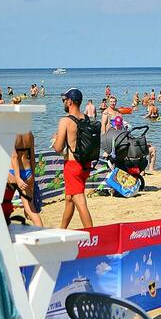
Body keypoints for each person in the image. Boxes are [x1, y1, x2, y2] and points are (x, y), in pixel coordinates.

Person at [50, 89, 95, 229]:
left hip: (72, 165)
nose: (64, 103)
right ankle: (61, 230)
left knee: (79, 200)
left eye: (64, 100)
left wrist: (56, 138)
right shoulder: (86, 118)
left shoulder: (65, 121)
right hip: (85, 164)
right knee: (69, 199)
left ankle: (93, 235)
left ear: (70, 101)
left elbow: (58, 148)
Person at [7, 131, 42, 227]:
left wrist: (18, 178)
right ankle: (42, 232)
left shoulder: (10, 133)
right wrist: (32, 177)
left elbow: (14, 157)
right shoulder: (29, 133)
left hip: (13, 172)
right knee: (31, 210)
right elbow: (32, 157)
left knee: (3, 204)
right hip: (28, 171)